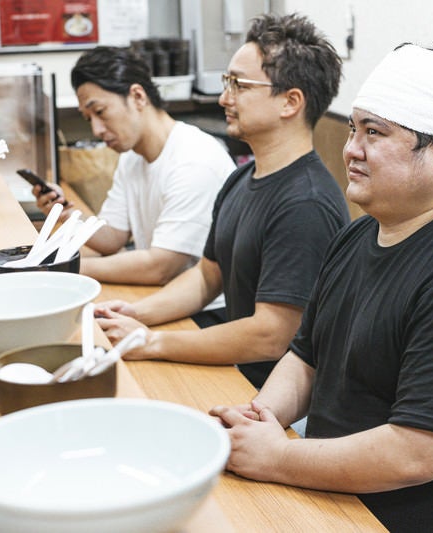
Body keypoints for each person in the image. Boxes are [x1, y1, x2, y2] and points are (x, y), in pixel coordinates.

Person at [209, 43, 433, 532]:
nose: (352, 148)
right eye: (354, 128)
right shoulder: (359, 234)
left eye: (375, 133)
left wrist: (276, 458)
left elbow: (414, 455)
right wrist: (260, 418)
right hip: (358, 505)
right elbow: (305, 358)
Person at [95, 13, 350, 389]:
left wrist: (153, 341)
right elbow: (206, 277)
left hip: (274, 399)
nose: (223, 98)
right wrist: (136, 313)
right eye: (226, 82)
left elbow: (271, 335)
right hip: (233, 370)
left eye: (239, 85)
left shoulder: (305, 204)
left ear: (290, 102)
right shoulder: (242, 178)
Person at [33, 46, 236, 288]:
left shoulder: (194, 161)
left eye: (100, 112)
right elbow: (112, 238)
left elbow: (160, 267)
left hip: (204, 312)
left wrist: (60, 267)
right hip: (159, 292)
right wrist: (67, 215)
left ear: (138, 96)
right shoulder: (132, 156)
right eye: (89, 119)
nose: (96, 130)